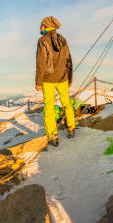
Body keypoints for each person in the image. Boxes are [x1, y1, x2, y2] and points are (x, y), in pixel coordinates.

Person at [35, 16, 76, 146]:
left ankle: (53, 135)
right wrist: (70, 77)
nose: (40, 28)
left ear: (46, 26)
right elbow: (68, 59)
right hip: (63, 77)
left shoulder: (42, 41)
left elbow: (41, 63)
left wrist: (38, 81)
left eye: (41, 26)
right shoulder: (63, 40)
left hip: (48, 79)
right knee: (67, 103)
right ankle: (71, 128)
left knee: (49, 108)